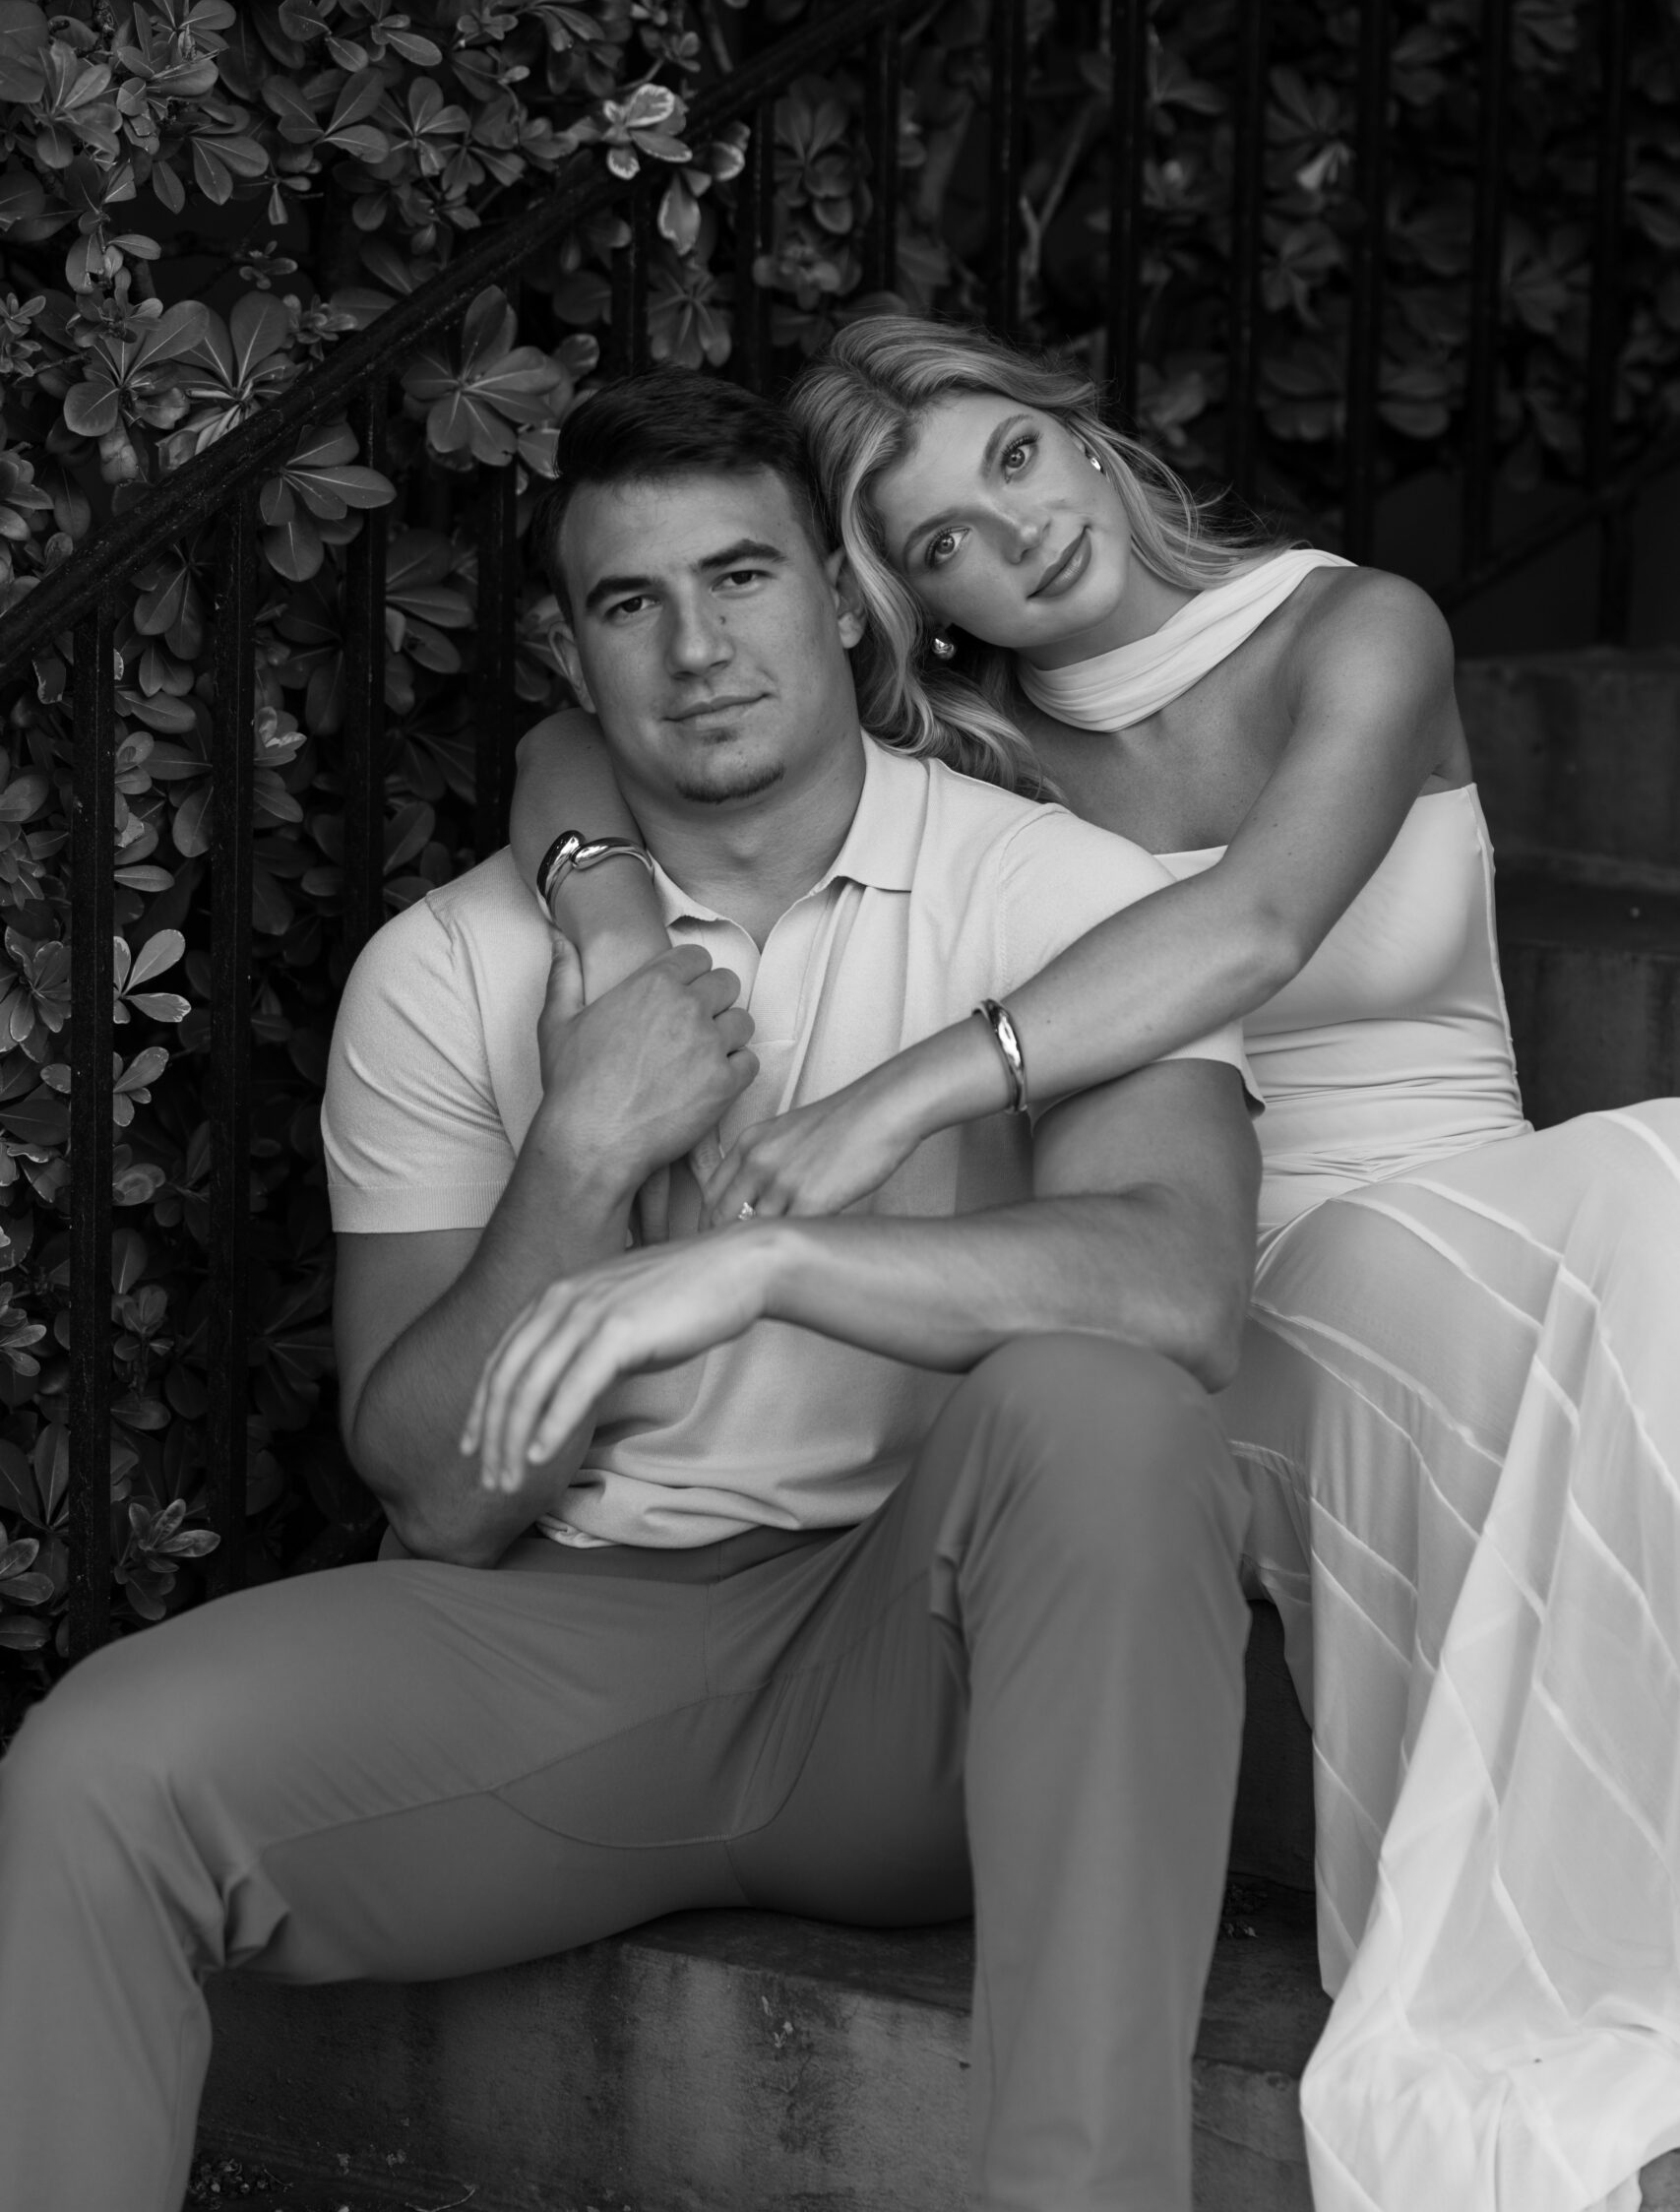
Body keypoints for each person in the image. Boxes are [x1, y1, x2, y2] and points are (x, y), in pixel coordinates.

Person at [0, 367, 1265, 2212]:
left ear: (840, 597)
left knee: (1107, 1407)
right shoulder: (453, 967)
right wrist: (585, 1152)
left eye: (742, 577)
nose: (698, 646)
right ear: (570, 657)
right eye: (629, 603)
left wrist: (768, 1256)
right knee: (85, 1777)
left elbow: (1179, 1292)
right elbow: (437, 1492)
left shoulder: (1060, 895)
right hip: (561, 1655)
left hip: (921, 1659)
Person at [509, 317, 1680, 2212]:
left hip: (1484, 1241)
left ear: (1084, 434)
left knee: (1655, 1201)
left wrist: (890, 1105)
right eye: (943, 537)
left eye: (1013, 462)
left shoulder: (1357, 627)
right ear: (906, 600)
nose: (1014, 534)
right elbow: (580, 731)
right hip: (1223, 1290)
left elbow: (1256, 920)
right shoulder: (971, 756)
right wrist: (608, 912)